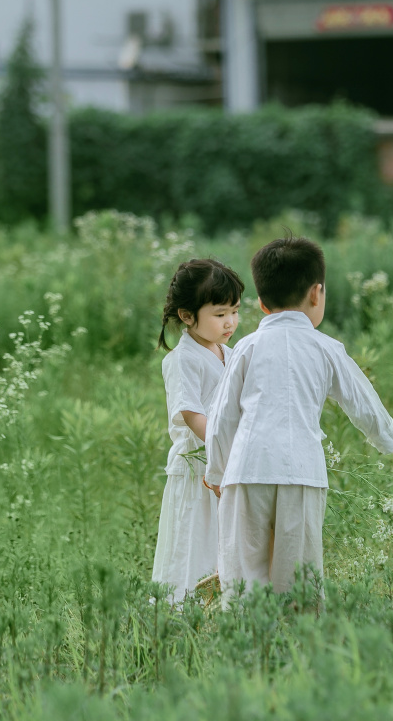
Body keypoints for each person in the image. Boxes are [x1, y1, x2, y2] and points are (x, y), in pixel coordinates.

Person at [205, 235, 393, 599]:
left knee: (243, 578)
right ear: (316, 293)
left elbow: (222, 419)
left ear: (261, 303)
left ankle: (245, 633)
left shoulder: (245, 347)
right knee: (299, 581)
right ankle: (300, 633)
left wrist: (218, 472)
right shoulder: (326, 348)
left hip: (247, 470)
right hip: (302, 474)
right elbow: (364, 403)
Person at [151, 258, 244, 604]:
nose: (230, 322)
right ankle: (182, 612)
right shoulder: (182, 359)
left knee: (226, 542)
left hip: (226, 464)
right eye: (220, 314)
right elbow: (191, 414)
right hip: (197, 468)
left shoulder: (230, 353)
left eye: (235, 311)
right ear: (187, 316)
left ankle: (223, 613)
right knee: (193, 542)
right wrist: (227, 448)